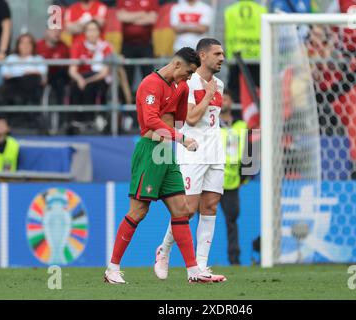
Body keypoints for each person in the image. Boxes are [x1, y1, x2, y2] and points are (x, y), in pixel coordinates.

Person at [104, 47, 223, 284]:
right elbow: (150, 121)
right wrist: (181, 138)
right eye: (188, 73)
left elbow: (179, 119)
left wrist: (188, 97)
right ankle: (112, 268)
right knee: (139, 212)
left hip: (166, 152)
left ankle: (194, 271)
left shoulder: (180, 86)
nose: (189, 78)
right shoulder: (150, 84)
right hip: (150, 151)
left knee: (182, 211)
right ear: (177, 65)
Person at [154, 38, 226, 282]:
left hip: (215, 151)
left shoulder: (220, 84)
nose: (222, 58)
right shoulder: (189, 82)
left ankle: (201, 267)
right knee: (186, 209)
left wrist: (212, 93)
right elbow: (191, 120)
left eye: (223, 54)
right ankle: (163, 251)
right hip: (193, 151)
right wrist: (207, 96)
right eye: (217, 53)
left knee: (211, 206)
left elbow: (212, 120)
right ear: (202, 55)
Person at [219, 89, 248, 265]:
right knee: (206, 220)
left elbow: (249, 150)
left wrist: (245, 175)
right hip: (211, 181)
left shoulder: (241, 126)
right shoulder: (210, 125)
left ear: (231, 102)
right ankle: (199, 260)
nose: (223, 102)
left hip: (232, 182)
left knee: (232, 220)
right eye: (220, 99)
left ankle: (234, 258)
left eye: (226, 99)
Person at [224, 0, 266, 102]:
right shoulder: (261, 10)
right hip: (257, 55)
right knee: (257, 91)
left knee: (235, 91)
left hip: (236, 56)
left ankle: (236, 116)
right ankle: (257, 116)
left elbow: (226, 33)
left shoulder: (230, 11)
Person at [116, 0, 158, 91]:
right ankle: (126, 101)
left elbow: (152, 19)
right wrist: (142, 14)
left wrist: (130, 18)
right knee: (126, 77)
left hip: (146, 44)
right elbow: (121, 17)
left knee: (149, 78)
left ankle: (148, 102)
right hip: (127, 45)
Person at [0, 33, 48, 106]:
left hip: (32, 88)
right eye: (22, 43)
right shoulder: (10, 58)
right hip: (13, 86)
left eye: (28, 43)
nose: (25, 45)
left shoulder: (38, 59)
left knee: (31, 79)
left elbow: (42, 77)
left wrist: (24, 75)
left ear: (32, 45)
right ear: (18, 45)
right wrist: (26, 73)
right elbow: (5, 74)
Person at [36, 28, 70, 105]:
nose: (57, 33)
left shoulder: (64, 47)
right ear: (46, 31)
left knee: (60, 81)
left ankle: (61, 112)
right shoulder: (38, 46)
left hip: (58, 76)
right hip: (41, 75)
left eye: (59, 31)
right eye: (54, 31)